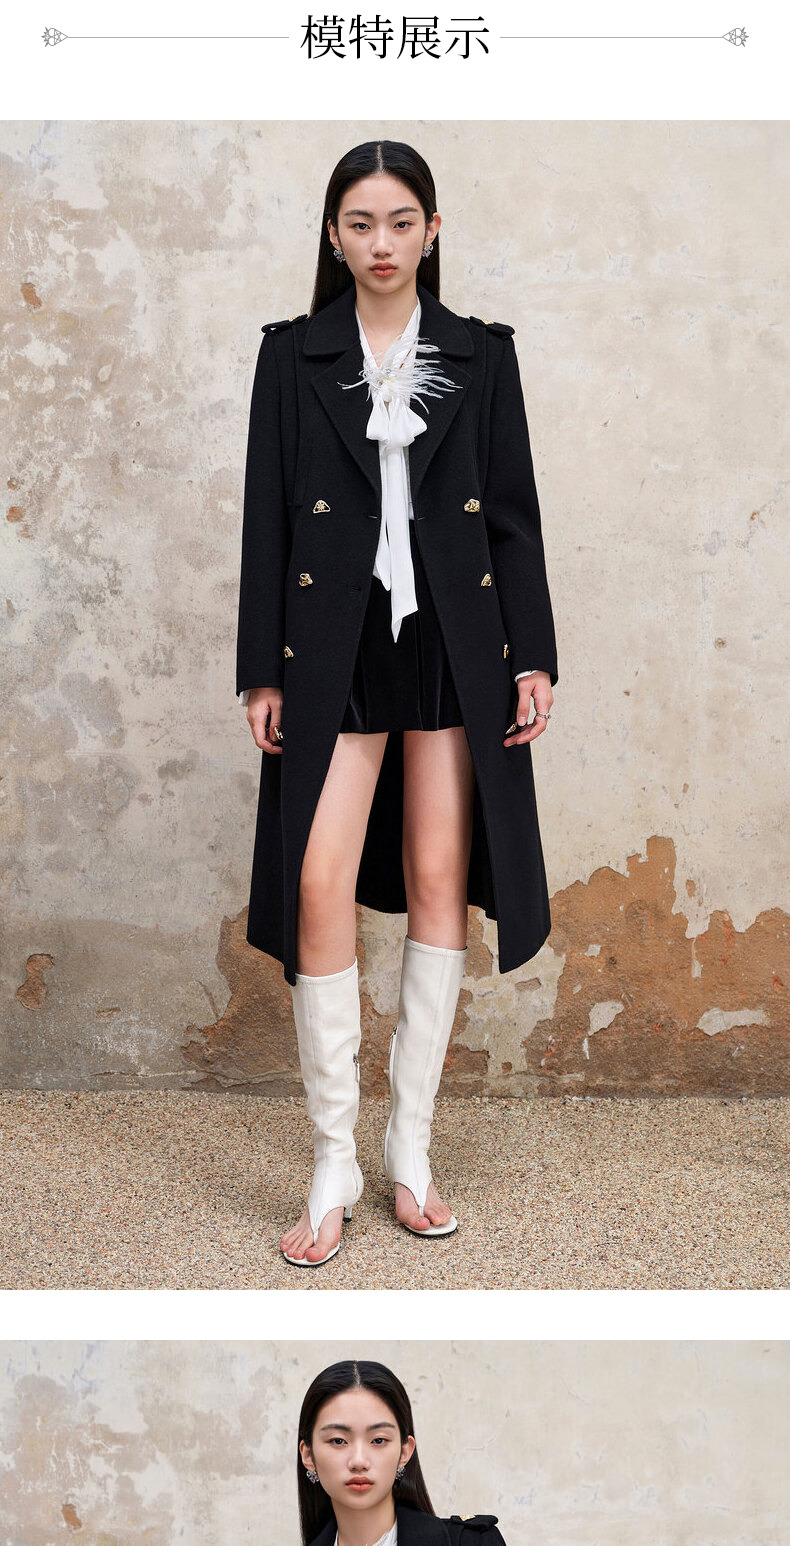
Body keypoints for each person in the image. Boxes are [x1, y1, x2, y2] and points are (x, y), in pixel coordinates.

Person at [236, 140, 558, 1266]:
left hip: (455, 640)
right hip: (333, 638)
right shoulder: (292, 357)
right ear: (334, 236)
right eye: (361, 222)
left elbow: (511, 514)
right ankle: (334, 1159)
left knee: (436, 876)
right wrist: (262, 669)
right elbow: (266, 516)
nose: (382, 242)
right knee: (317, 878)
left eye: (402, 221)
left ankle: (408, 1149)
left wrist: (533, 657)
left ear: (432, 230)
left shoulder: (481, 355)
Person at [298, 1359, 507, 1546]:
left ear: (405, 1451)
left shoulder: (473, 1541)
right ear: (308, 1455)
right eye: (338, 1441)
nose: (359, 1461)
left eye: (378, 1440)